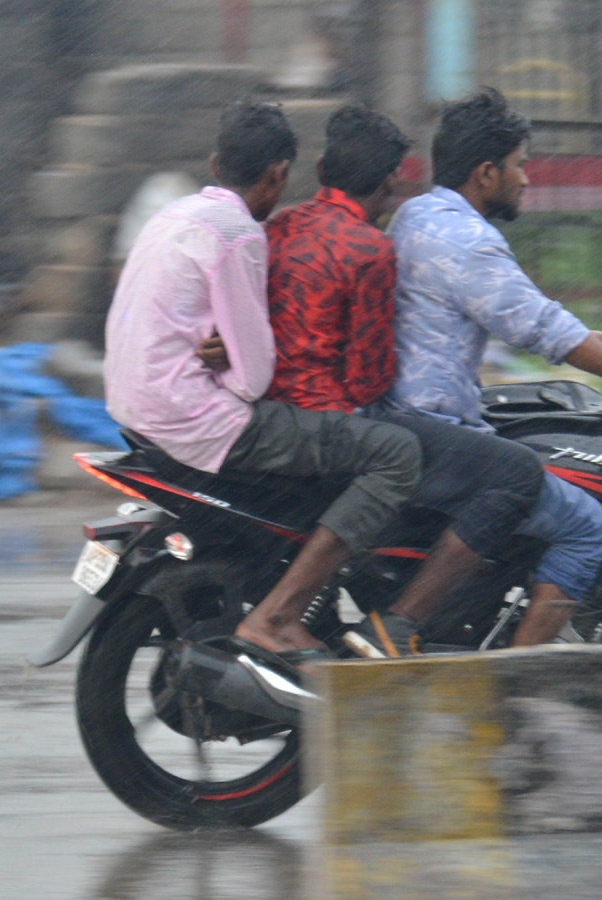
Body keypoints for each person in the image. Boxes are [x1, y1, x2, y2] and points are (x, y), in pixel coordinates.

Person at [212, 104, 546, 658]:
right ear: (392, 181)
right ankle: (395, 623)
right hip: (327, 419)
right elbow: (368, 377)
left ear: (321, 168)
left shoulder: (283, 224)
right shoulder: (369, 251)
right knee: (494, 469)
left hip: (267, 404)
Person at [381, 87, 602, 644]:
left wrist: (588, 341)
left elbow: (501, 314)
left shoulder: (417, 215)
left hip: (404, 416)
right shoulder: (469, 240)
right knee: (585, 524)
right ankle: (519, 685)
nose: (526, 179)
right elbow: (541, 326)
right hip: (434, 428)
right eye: (519, 166)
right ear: (486, 173)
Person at [103, 97, 424, 665]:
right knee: (396, 453)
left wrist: (223, 346)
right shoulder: (240, 234)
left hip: (134, 409)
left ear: (215, 163)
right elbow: (253, 378)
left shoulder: (172, 216)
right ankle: (278, 616)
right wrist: (236, 353)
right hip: (200, 422)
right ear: (278, 175)